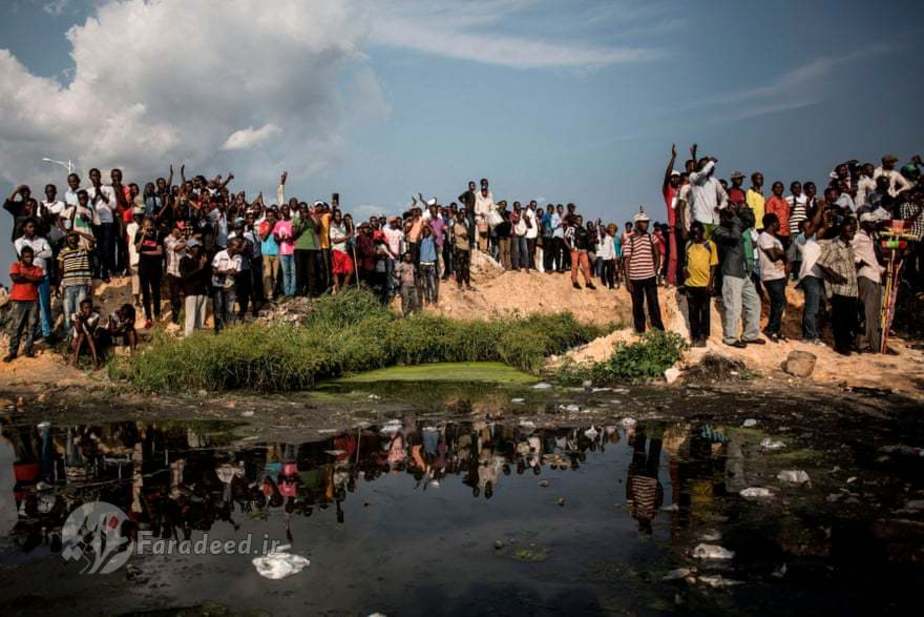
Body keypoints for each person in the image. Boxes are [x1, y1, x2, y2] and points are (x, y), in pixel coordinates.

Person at [713, 202, 765, 348]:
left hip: (742, 273)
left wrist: (741, 212)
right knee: (734, 307)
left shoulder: (736, 227)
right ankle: (730, 338)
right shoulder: (719, 231)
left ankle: (750, 335)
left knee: (754, 302)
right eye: (727, 215)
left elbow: (750, 221)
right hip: (731, 273)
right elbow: (735, 237)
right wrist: (735, 217)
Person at [816, 217, 859, 355]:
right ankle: (841, 346)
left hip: (852, 289)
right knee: (840, 319)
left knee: (850, 318)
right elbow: (822, 263)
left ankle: (847, 343)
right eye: (849, 226)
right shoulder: (834, 246)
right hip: (840, 289)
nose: (852, 229)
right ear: (842, 227)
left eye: (854, 227)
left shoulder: (849, 246)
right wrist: (835, 276)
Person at [622, 211, 663, 332]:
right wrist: (628, 281)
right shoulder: (630, 240)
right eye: (644, 222)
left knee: (653, 304)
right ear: (637, 223)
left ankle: (658, 330)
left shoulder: (651, 237)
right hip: (635, 279)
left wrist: (655, 269)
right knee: (637, 306)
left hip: (650, 277)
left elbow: (657, 254)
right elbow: (626, 262)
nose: (646, 224)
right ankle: (640, 331)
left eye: (647, 222)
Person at [14, 218, 54, 341]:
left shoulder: (42, 240)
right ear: (24, 228)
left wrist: (35, 253)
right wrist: (39, 252)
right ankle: (31, 333)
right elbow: (24, 254)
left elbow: (50, 253)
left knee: (44, 305)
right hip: (28, 278)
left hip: (42, 276)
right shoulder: (19, 241)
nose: (33, 229)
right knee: (29, 307)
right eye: (30, 227)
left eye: (34, 226)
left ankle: (46, 332)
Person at [4, 246, 43, 362]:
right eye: (26, 257)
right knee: (17, 327)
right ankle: (13, 352)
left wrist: (24, 275)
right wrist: (31, 278)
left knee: (32, 326)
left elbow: (38, 279)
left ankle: (28, 349)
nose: (29, 259)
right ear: (21, 257)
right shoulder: (15, 265)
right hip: (18, 300)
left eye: (30, 256)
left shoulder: (37, 268)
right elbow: (15, 279)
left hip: (33, 300)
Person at [853, 212, 884, 352]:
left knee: (874, 312)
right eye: (871, 222)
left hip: (875, 276)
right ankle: (863, 343)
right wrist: (860, 261)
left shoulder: (871, 237)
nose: (874, 224)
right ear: (864, 223)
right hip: (866, 276)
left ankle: (874, 343)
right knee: (866, 311)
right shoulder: (858, 236)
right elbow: (848, 250)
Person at [684, 221, 718, 346]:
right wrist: (685, 271)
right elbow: (686, 262)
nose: (695, 236)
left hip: (704, 285)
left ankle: (703, 337)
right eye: (693, 234)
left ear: (702, 232)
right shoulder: (689, 245)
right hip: (690, 285)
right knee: (692, 313)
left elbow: (713, 266)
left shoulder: (710, 245)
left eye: (697, 233)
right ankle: (695, 337)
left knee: (704, 312)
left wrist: (710, 283)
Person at [757, 213, 788, 342]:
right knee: (778, 302)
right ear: (773, 224)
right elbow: (773, 256)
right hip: (770, 275)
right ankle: (771, 330)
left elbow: (781, 255)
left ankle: (776, 329)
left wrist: (780, 253)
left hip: (779, 274)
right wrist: (781, 253)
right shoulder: (764, 237)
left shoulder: (775, 239)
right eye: (778, 222)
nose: (779, 224)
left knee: (780, 303)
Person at [57, 231, 94, 332]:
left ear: (77, 239)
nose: (71, 239)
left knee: (80, 313)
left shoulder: (83, 248)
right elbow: (60, 269)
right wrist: (59, 285)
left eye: (74, 237)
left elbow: (92, 239)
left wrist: (78, 232)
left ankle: (78, 334)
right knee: (68, 313)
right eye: (69, 237)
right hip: (68, 285)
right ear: (67, 239)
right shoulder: (63, 252)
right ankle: (69, 336)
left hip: (82, 284)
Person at [134, 217, 163, 329]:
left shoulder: (158, 235)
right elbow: (137, 249)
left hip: (156, 268)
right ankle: (149, 317)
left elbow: (159, 251)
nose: (149, 229)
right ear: (143, 226)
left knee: (156, 292)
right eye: (147, 226)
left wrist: (145, 253)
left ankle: (157, 314)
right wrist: (143, 235)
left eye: (151, 226)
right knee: (146, 293)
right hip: (144, 268)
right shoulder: (139, 234)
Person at [211, 237, 242, 334]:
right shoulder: (220, 254)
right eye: (236, 246)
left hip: (230, 284)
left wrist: (233, 273)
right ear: (230, 246)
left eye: (239, 247)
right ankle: (218, 330)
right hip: (218, 284)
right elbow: (214, 270)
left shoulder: (238, 257)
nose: (238, 249)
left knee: (229, 308)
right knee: (219, 307)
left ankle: (228, 329)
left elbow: (238, 272)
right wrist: (226, 272)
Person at [180, 239, 210, 336]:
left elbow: (206, 276)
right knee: (191, 317)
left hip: (202, 291)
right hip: (191, 291)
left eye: (197, 247)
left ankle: (198, 338)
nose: (196, 249)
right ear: (189, 248)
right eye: (194, 247)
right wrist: (198, 269)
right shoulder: (184, 260)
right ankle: (189, 338)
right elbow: (185, 276)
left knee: (200, 318)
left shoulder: (199, 260)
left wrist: (205, 265)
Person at [164, 223, 188, 324]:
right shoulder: (167, 239)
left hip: (184, 273)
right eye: (179, 229)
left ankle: (184, 319)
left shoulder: (183, 239)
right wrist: (187, 242)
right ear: (173, 229)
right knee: (175, 298)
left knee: (186, 297)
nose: (181, 231)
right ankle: (175, 319)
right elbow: (176, 248)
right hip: (173, 273)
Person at [69, 298, 102, 367]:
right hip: (78, 341)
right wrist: (80, 320)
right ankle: (76, 361)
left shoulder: (95, 316)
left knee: (88, 336)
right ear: (81, 309)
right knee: (82, 335)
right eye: (86, 308)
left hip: (92, 341)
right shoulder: (76, 315)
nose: (88, 310)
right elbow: (78, 330)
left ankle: (95, 362)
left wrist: (84, 320)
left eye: (90, 307)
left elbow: (91, 331)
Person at [566, 215, 596, 290]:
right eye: (578, 220)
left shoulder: (584, 230)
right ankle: (574, 281)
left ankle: (588, 282)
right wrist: (569, 247)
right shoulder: (571, 228)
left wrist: (587, 247)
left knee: (586, 266)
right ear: (576, 221)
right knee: (575, 266)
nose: (580, 221)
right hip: (575, 250)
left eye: (581, 220)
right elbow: (565, 237)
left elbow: (588, 240)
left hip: (583, 251)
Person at [329, 210, 354, 294]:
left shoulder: (343, 224)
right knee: (336, 271)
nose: (338, 217)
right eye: (336, 216)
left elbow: (351, 231)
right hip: (336, 250)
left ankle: (343, 289)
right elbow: (334, 240)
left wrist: (350, 222)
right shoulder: (332, 226)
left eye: (339, 215)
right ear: (334, 217)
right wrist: (347, 237)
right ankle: (337, 288)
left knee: (350, 270)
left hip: (344, 251)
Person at [258, 207, 280, 301]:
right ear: (266, 216)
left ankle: (273, 293)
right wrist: (270, 227)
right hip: (266, 252)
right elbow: (263, 238)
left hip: (276, 252)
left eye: (272, 216)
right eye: (268, 216)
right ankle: (268, 295)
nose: (270, 217)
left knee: (275, 275)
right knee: (267, 274)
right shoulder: (262, 224)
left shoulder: (278, 224)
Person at [452, 210, 473, 291]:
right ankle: (460, 284)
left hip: (466, 248)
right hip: (460, 248)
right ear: (457, 217)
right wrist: (469, 232)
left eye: (463, 216)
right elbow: (465, 236)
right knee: (460, 267)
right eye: (461, 216)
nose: (462, 217)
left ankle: (467, 284)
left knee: (466, 268)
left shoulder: (464, 225)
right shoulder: (457, 226)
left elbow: (468, 235)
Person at [419, 224, 439, 305]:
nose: (426, 232)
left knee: (432, 283)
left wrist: (428, 226)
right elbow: (417, 237)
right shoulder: (421, 240)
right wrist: (422, 228)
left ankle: (434, 300)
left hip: (431, 264)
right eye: (425, 231)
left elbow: (435, 234)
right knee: (424, 284)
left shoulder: (431, 239)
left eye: (427, 231)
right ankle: (427, 299)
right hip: (423, 264)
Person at [598, 224, 619, 290]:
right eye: (600, 230)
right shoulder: (598, 238)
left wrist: (614, 258)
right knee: (602, 272)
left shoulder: (609, 238)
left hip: (609, 258)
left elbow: (613, 249)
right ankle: (604, 285)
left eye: (603, 230)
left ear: (605, 230)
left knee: (609, 272)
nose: (602, 231)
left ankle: (611, 285)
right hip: (602, 258)